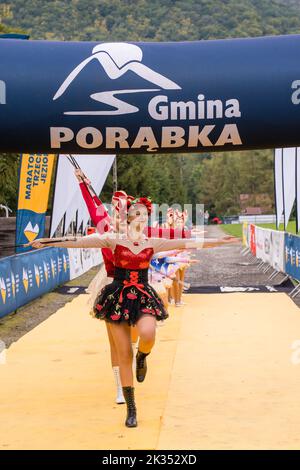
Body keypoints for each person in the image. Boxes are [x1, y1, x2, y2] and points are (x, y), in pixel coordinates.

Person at [28, 198, 238, 428]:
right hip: (117, 297)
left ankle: (143, 357)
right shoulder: (113, 240)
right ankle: (131, 408)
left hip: (142, 296)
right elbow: (79, 241)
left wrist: (219, 241)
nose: (142, 216)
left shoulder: (153, 242)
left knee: (148, 334)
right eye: (137, 213)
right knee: (124, 352)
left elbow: (187, 242)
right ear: (129, 217)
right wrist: (48, 242)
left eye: (145, 214)